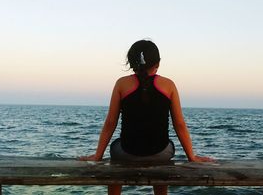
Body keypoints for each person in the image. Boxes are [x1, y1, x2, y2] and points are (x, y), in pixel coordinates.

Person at [79, 40, 213, 195]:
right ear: (158, 63)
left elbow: (110, 123)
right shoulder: (168, 85)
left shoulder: (122, 84)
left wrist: (98, 156)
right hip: (160, 153)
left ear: (132, 62)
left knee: (115, 148)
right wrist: (192, 157)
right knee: (166, 149)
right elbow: (180, 124)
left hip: (126, 153)